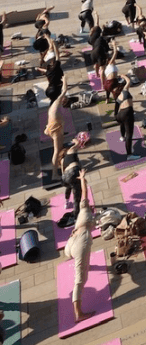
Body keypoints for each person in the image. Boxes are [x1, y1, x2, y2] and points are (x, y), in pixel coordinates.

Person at [64, 169, 95, 322]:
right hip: (80, 243)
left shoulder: (83, 211)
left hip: (70, 243)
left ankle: (73, 257)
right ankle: (78, 313)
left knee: (75, 258)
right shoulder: (86, 209)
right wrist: (83, 178)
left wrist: (83, 178)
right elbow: (85, 192)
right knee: (80, 279)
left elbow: (84, 192)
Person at [44, 75, 69, 169]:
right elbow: (64, 90)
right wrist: (65, 80)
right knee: (56, 151)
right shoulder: (57, 102)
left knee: (60, 147)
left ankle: (60, 159)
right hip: (55, 131)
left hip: (53, 128)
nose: (64, 99)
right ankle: (54, 173)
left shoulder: (53, 104)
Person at [113, 77, 140, 161]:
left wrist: (116, 117)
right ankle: (129, 155)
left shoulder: (118, 95)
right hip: (128, 114)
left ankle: (122, 137)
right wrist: (122, 75)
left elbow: (116, 109)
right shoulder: (125, 90)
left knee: (122, 124)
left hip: (120, 115)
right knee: (129, 134)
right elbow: (128, 80)